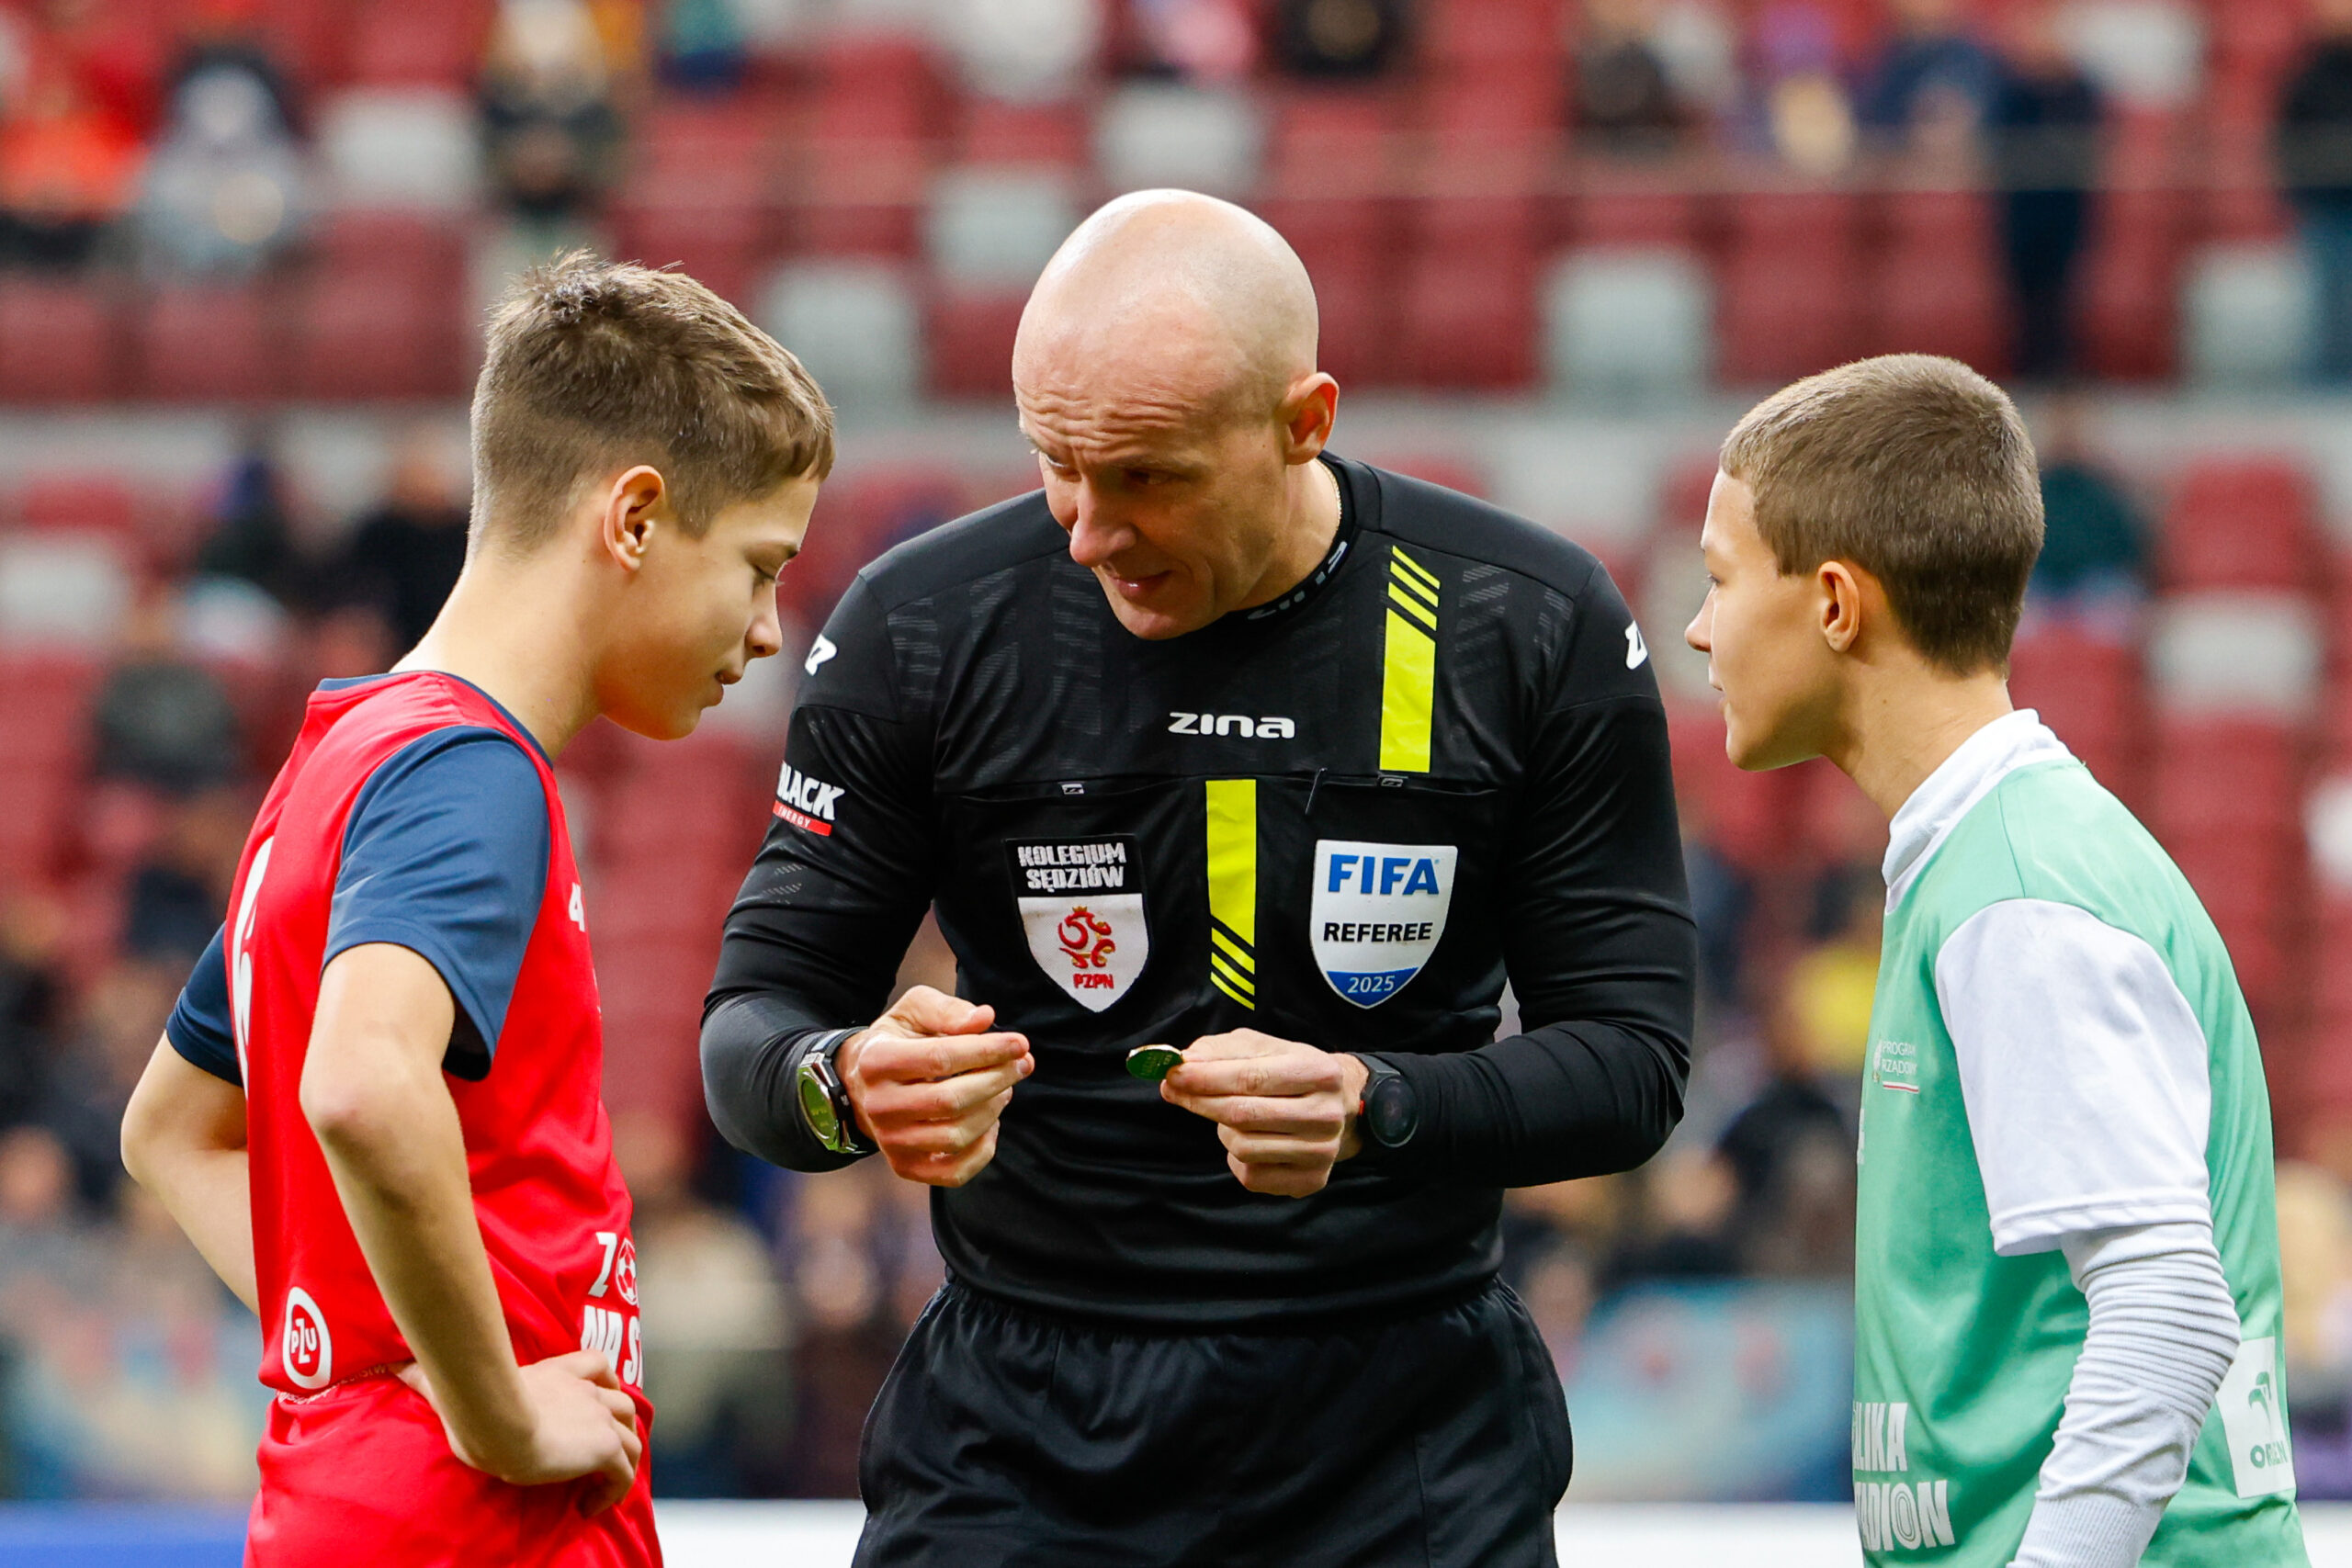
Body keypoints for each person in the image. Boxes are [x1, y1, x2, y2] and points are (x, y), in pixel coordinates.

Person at [702, 189, 1697, 1566]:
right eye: (1055, 459)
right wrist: (845, 1077)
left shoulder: (1524, 620)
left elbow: (1635, 1063)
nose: (1086, 530)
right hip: (1020, 1434)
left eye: (1148, 475)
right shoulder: (922, 625)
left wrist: (1380, 1103)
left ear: (1306, 422)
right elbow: (752, 1023)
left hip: (1399, 1432)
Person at [117, 253, 833, 1567]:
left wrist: (374, 1359)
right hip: (474, 1522)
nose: (770, 627)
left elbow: (170, 1128)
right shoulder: (472, 772)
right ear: (632, 519)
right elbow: (363, 1085)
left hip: (358, 1491)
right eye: (758, 565)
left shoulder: (340, 761)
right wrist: (495, 1411)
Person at [1684, 355, 2308, 1565]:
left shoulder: (2018, 891)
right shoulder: (1991, 859)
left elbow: (2171, 1311)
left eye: (1717, 578)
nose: (1701, 627)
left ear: (1831, 602)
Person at [1988, 2, 2100, 381]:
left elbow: (2090, 146)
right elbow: (2000, 145)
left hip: (2066, 214)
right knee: (2023, 302)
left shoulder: (2081, 88)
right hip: (2022, 215)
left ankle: (2061, 375)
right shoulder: (2013, 90)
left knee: (2062, 301)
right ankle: (2028, 374)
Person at [2280, 0, 2352, 383]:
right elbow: (2289, 142)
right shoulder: (2308, 76)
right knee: (2332, 307)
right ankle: (2328, 389)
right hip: (2329, 211)